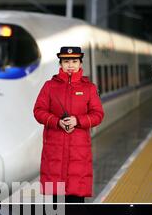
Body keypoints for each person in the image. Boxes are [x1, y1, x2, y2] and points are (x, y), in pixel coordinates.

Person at [33, 47, 104, 203]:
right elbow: (38, 111)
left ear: (80, 63)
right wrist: (56, 121)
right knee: (57, 208)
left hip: (78, 156)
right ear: (61, 64)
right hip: (55, 154)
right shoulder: (49, 86)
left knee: (77, 205)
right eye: (66, 61)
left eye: (74, 61)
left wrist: (77, 121)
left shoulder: (89, 88)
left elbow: (98, 115)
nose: (70, 65)